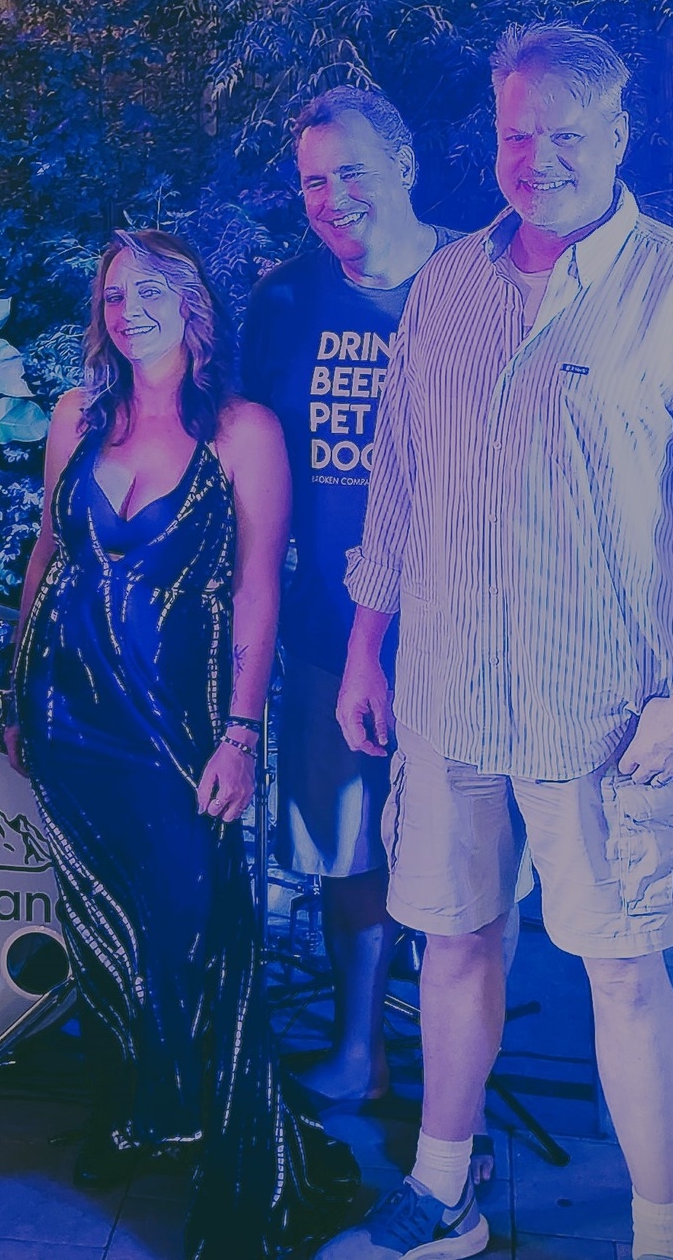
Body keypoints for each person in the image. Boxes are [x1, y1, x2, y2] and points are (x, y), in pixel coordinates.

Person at [322, 23, 673, 1260]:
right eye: (515, 133)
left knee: (623, 966)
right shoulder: (446, 286)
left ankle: (656, 1236)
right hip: (448, 686)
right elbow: (398, 477)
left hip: (606, 702)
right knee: (452, 937)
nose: (537, 157)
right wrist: (366, 645)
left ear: (617, 135)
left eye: (564, 133)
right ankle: (441, 1194)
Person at [9, 229, 357, 1260]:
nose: (131, 310)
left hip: (180, 722)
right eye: (115, 294)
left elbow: (257, 587)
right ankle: (132, 1112)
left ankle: (214, 1127)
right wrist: (15, 692)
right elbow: (47, 552)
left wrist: (242, 732)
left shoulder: (243, 430)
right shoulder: (76, 417)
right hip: (68, 712)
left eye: (153, 289)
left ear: (194, 304)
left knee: (191, 931)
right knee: (98, 933)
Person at [242, 86, 458, 1106]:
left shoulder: (478, 281)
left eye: (352, 172)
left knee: (462, 865)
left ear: (404, 166)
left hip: (460, 636)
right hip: (329, 633)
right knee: (347, 851)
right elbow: (253, 464)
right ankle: (358, 1052)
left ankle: (456, 1092)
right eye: (312, 181)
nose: (331, 198)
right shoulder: (284, 300)